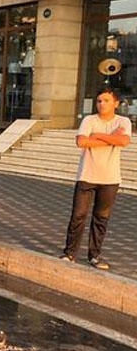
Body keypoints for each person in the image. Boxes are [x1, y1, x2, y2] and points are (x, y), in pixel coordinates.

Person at [61, 87, 131, 270]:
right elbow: (81, 142)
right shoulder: (89, 120)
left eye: (106, 101)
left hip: (110, 178)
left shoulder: (123, 121)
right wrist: (111, 138)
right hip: (87, 175)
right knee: (78, 215)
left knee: (101, 218)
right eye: (99, 101)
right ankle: (69, 253)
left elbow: (123, 141)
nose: (102, 104)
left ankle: (94, 255)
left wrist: (98, 135)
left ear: (116, 103)